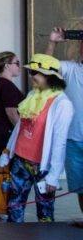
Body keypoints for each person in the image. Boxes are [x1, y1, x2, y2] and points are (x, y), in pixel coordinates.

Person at [0, 54, 75, 223]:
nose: (31, 76)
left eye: (35, 72)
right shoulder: (33, 95)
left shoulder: (62, 104)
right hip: (20, 161)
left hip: (43, 167)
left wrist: (54, 174)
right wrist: (8, 150)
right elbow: (20, 126)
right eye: (30, 72)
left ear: (49, 76)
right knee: (14, 209)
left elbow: (59, 141)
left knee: (45, 214)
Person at [44, 28, 83, 225]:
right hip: (74, 138)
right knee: (80, 185)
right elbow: (45, 68)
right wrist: (53, 43)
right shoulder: (71, 68)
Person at [0, 53, 25, 168]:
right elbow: (11, 113)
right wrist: (22, 133)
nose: (19, 66)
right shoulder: (6, 85)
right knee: (6, 171)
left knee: (2, 169)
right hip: (5, 133)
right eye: (17, 63)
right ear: (7, 66)